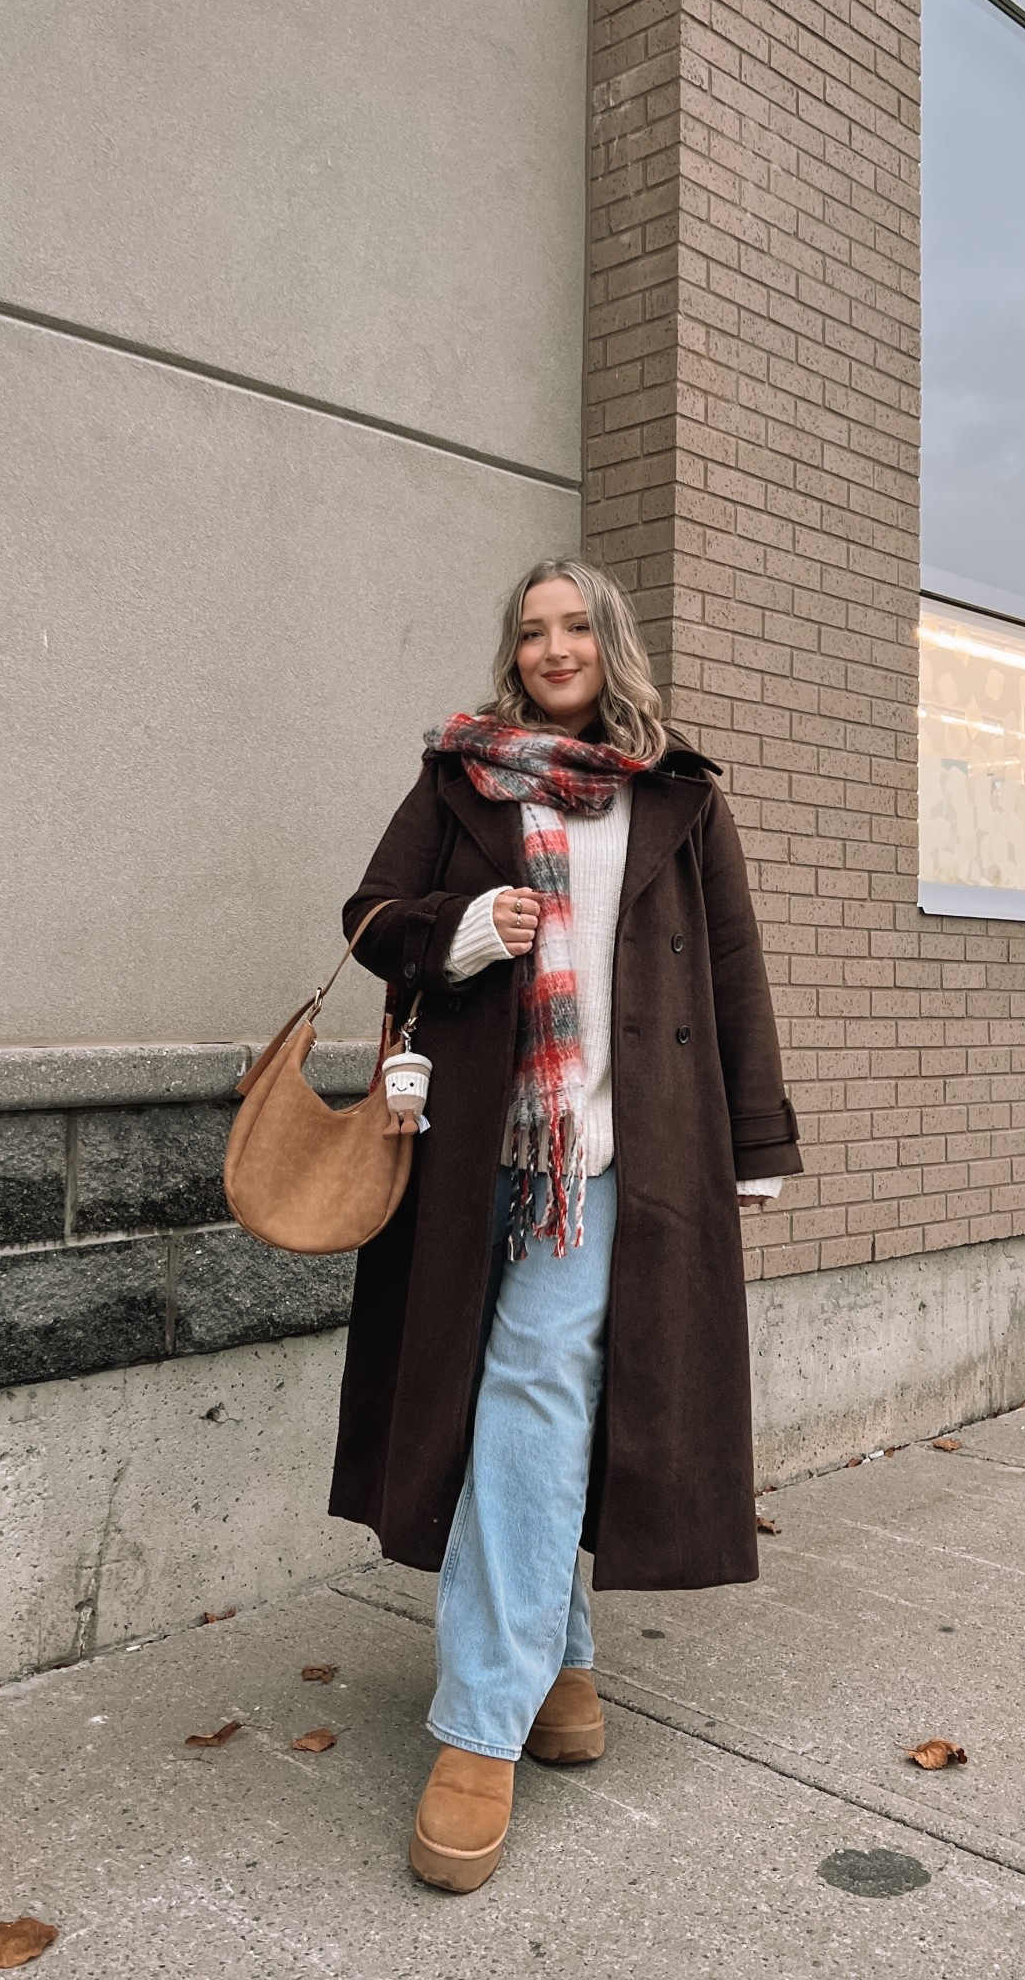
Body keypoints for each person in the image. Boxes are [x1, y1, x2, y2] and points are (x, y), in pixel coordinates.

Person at [331, 556, 803, 1892]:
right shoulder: (459, 779)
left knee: (532, 1390)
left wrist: (752, 1145)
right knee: (499, 1401)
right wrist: (470, 926)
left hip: (608, 1159)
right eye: (531, 630)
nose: (554, 646)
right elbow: (369, 922)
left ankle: (479, 1723)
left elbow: (733, 971)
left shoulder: (677, 799)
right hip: (469, 1150)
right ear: (513, 651)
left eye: (575, 626)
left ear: (612, 643)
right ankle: (566, 1667)